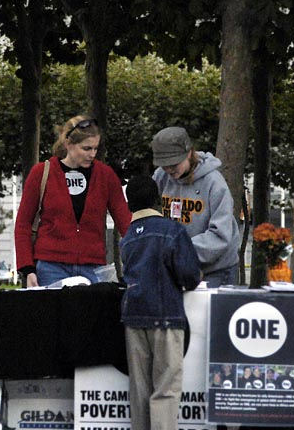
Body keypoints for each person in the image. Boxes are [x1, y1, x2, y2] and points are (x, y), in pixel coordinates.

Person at [120, 175, 201, 430]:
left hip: (133, 318)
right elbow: (188, 275)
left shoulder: (128, 236)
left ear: (129, 203)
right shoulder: (171, 230)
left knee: (139, 392)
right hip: (165, 316)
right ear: (157, 199)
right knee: (165, 390)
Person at [15, 115, 131, 287]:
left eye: (95, 148)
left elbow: (125, 222)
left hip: (93, 266)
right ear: (68, 144)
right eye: (86, 148)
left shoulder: (105, 175)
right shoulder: (41, 172)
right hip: (51, 266)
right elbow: (23, 223)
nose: (92, 154)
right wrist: (27, 268)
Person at [151, 126, 239, 288]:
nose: (169, 169)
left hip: (215, 271)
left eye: (174, 163)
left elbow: (221, 235)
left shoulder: (214, 183)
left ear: (189, 153)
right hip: (177, 266)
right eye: (164, 165)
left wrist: (178, 250)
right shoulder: (161, 177)